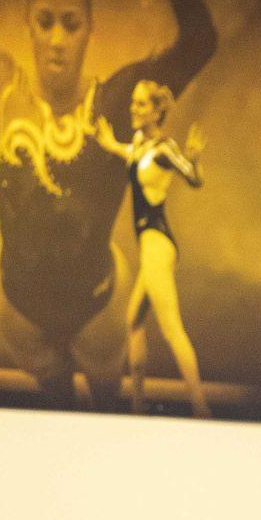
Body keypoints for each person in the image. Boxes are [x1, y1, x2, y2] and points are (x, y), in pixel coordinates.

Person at [0, 0, 217, 409]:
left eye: (71, 24)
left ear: (90, 29)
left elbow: (200, 42)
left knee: (107, 400)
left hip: (98, 304)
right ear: (28, 22)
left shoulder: (120, 100)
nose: (57, 39)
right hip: (18, 307)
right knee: (55, 405)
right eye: (45, 22)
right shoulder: (1, 84)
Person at [89, 82, 209, 416]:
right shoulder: (141, 145)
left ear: (157, 111)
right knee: (134, 321)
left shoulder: (163, 148)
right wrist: (111, 143)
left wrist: (195, 159)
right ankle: (138, 408)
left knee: (171, 328)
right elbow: (131, 154)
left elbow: (193, 178)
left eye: (141, 105)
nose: (133, 109)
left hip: (158, 244)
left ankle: (202, 409)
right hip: (149, 247)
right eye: (133, 103)